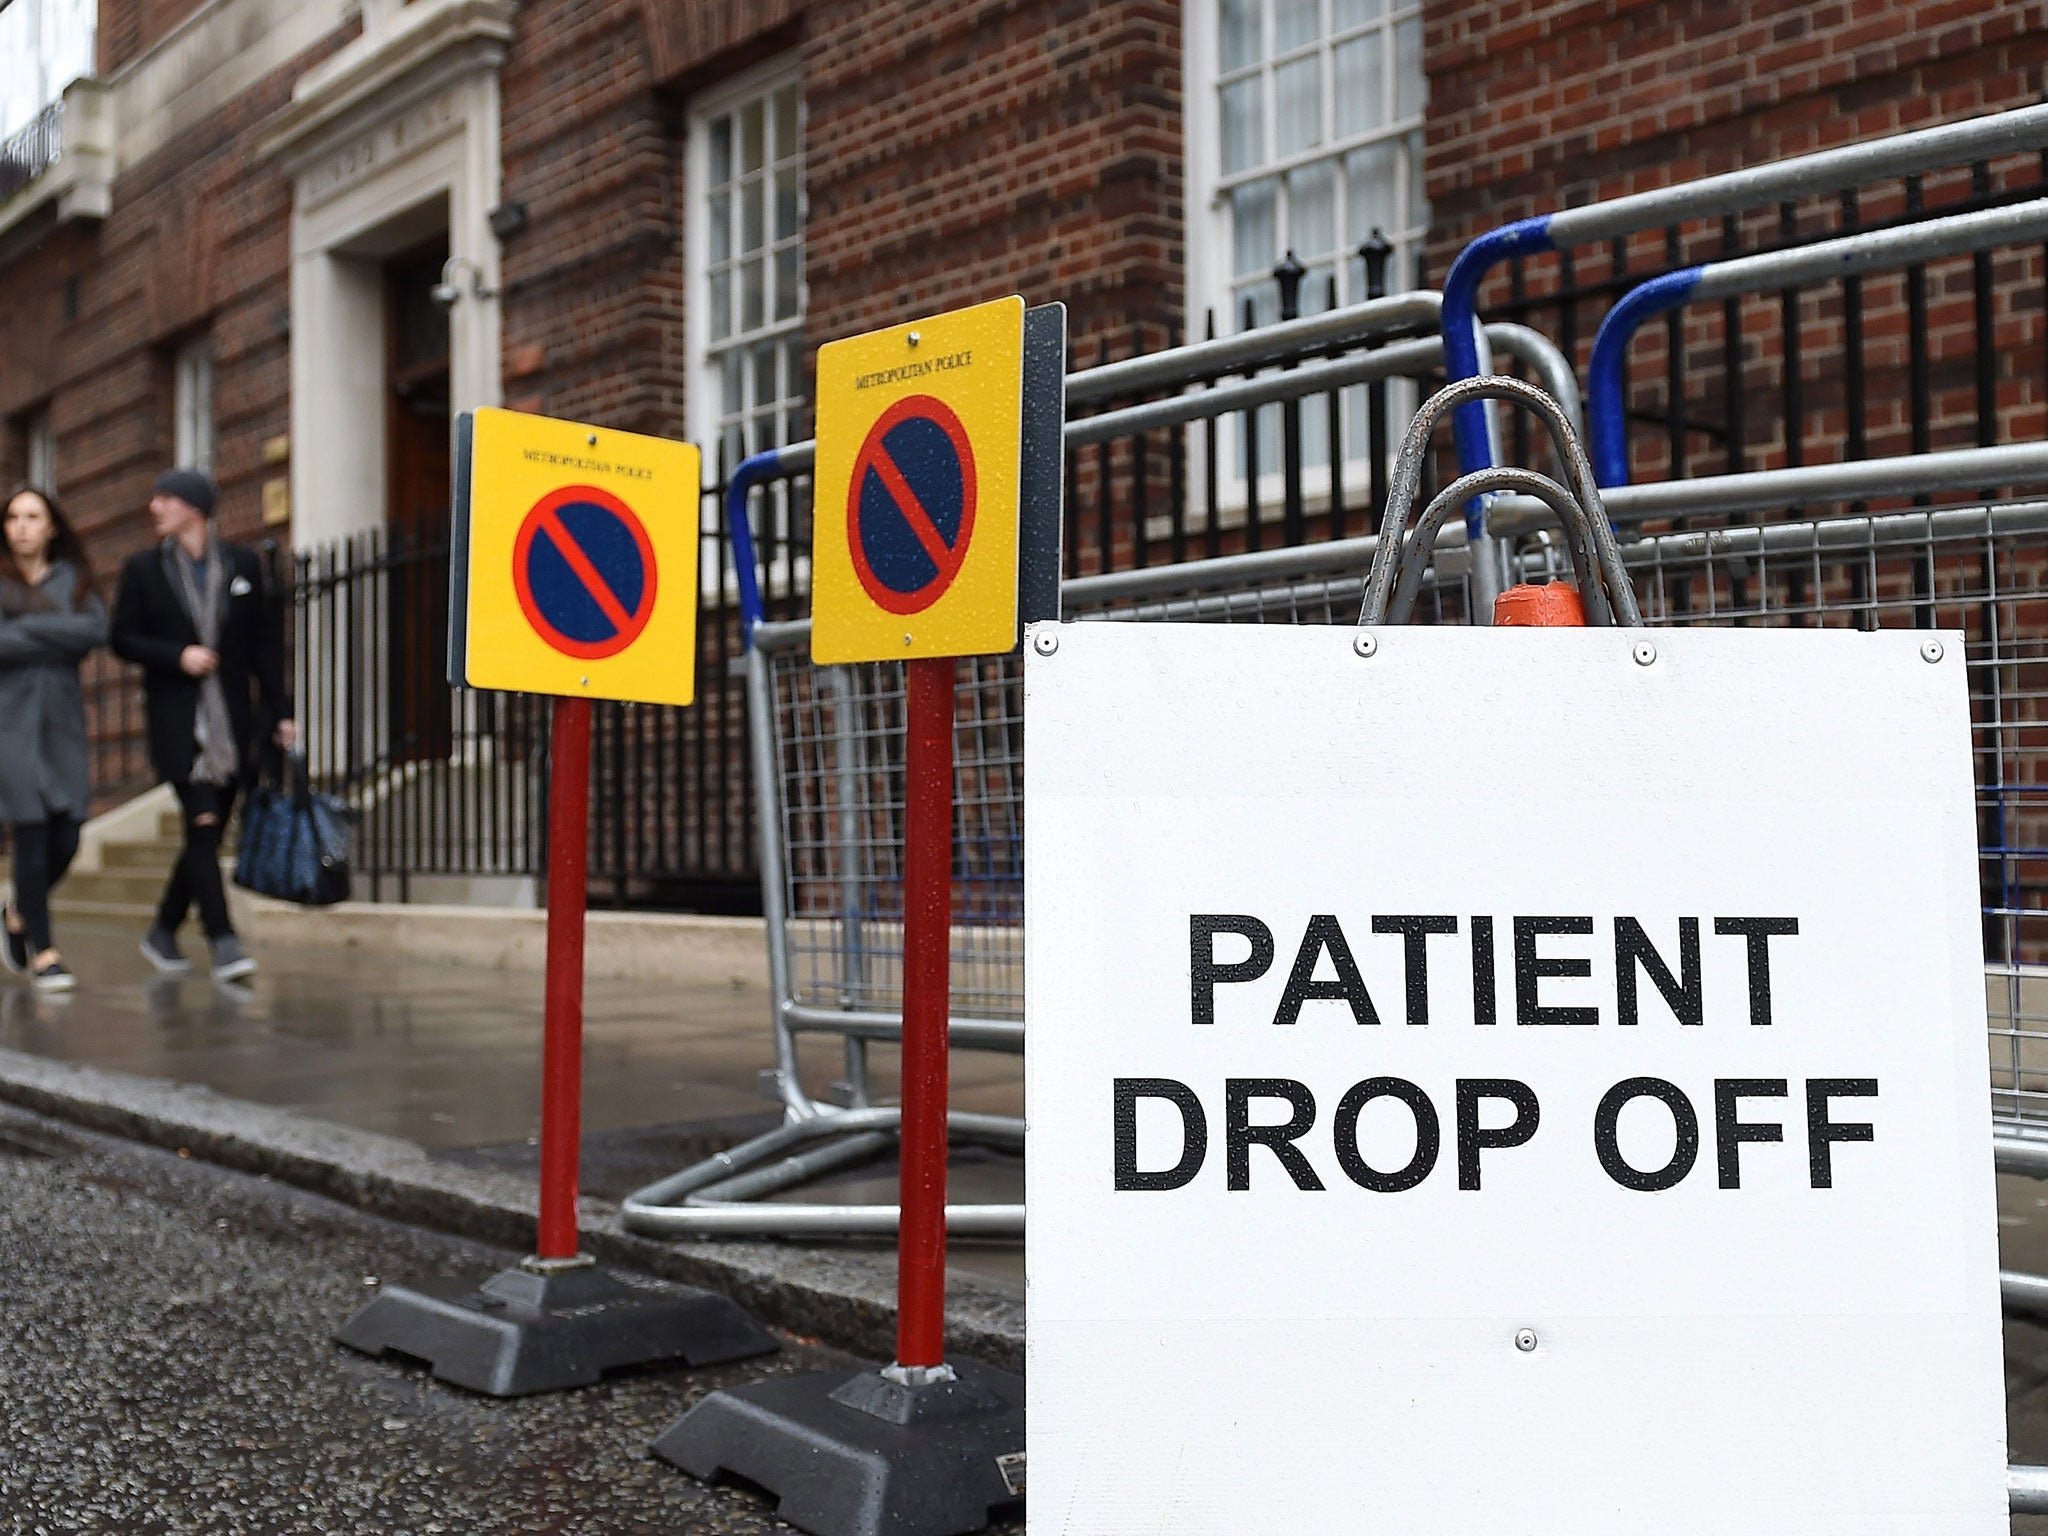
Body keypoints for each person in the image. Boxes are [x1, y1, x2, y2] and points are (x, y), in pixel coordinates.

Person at [112, 469, 295, 983]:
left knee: (205, 841)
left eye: (165, 498)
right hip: (178, 725)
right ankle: (223, 941)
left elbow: (265, 647)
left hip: (233, 727)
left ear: (195, 506)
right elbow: (122, 638)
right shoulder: (144, 569)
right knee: (203, 823)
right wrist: (177, 655)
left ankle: (163, 928)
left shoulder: (243, 566)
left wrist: (281, 712)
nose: (155, 507)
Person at [0, 485, 109, 994]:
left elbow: (93, 633)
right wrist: (56, 629)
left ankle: (19, 909)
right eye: (13, 517)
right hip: (10, 722)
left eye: (33, 516)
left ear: (51, 527)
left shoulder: (76, 581)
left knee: (69, 832)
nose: (22, 526)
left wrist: (27, 628)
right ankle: (45, 952)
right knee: (32, 831)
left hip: (63, 721)